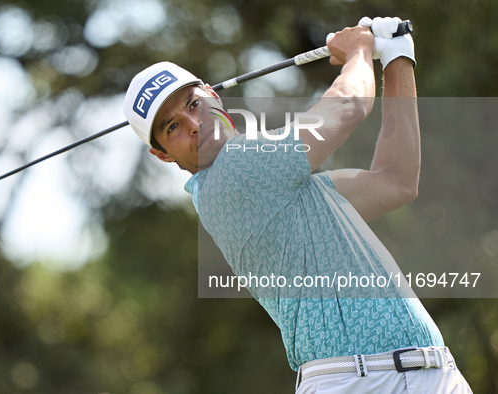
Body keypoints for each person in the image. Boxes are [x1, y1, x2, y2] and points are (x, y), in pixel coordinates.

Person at [122, 16, 472, 393]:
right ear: (162, 155)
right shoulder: (233, 171)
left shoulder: (288, 189)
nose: (193, 123)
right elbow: (347, 107)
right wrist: (360, 50)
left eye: (193, 102)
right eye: (172, 127)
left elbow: (396, 180)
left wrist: (398, 57)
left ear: (213, 94)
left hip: (427, 374)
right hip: (361, 381)